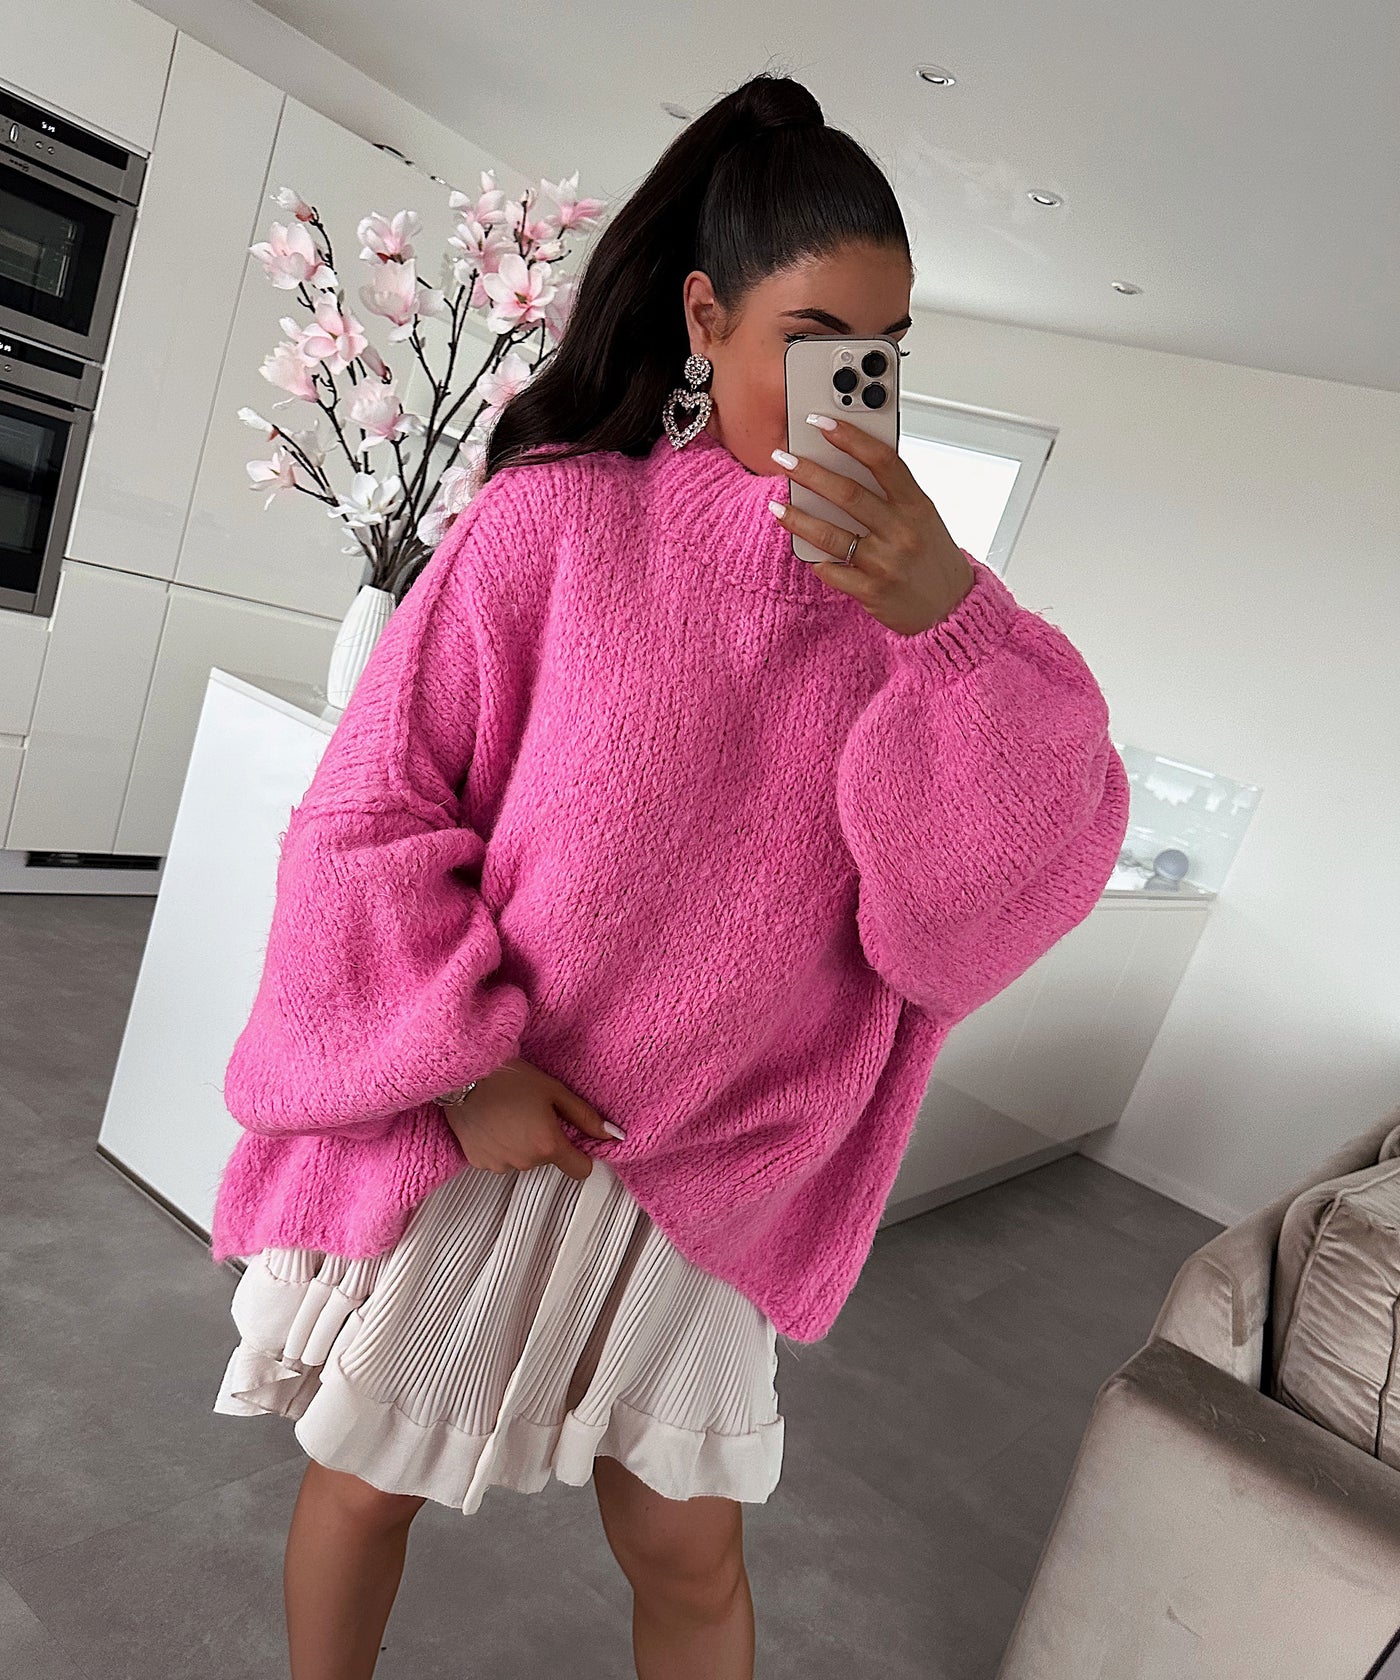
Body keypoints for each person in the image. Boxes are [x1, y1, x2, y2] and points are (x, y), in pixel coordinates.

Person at [208, 68, 1130, 1680]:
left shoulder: (923, 625)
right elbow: (369, 813)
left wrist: (950, 625)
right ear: (706, 318)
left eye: (886, 353)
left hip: (719, 1180)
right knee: (365, 1479)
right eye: (816, 339)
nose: (856, 387)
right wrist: (465, 1065)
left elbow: (954, 940)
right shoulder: (557, 527)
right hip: (507, 1123)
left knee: (690, 1552)